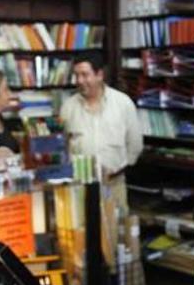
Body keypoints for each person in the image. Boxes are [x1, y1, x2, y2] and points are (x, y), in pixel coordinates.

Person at [60, 52, 143, 210]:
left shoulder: (122, 103)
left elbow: (135, 145)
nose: (79, 81)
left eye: (85, 75)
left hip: (114, 185)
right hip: (79, 187)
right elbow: (63, 146)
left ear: (99, 75)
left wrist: (119, 169)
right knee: (82, 233)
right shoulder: (68, 107)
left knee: (114, 232)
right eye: (76, 75)